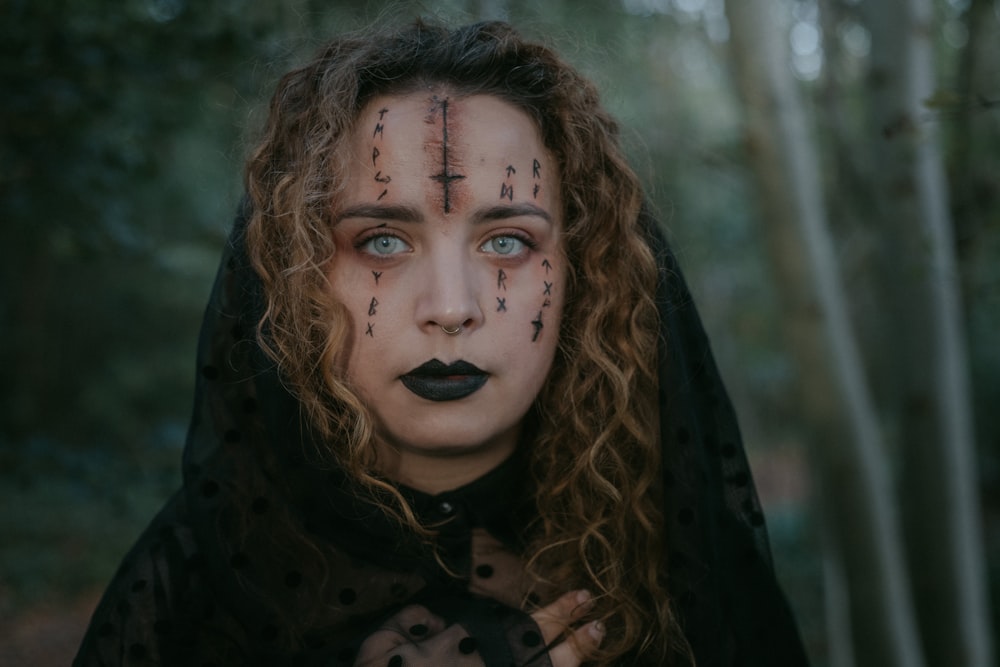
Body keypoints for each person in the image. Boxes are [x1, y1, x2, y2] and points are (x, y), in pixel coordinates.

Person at [74, 19, 809, 667]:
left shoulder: (674, 553)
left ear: (585, 272)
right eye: (384, 240)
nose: (451, 308)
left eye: (509, 241)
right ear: (295, 276)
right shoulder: (188, 588)